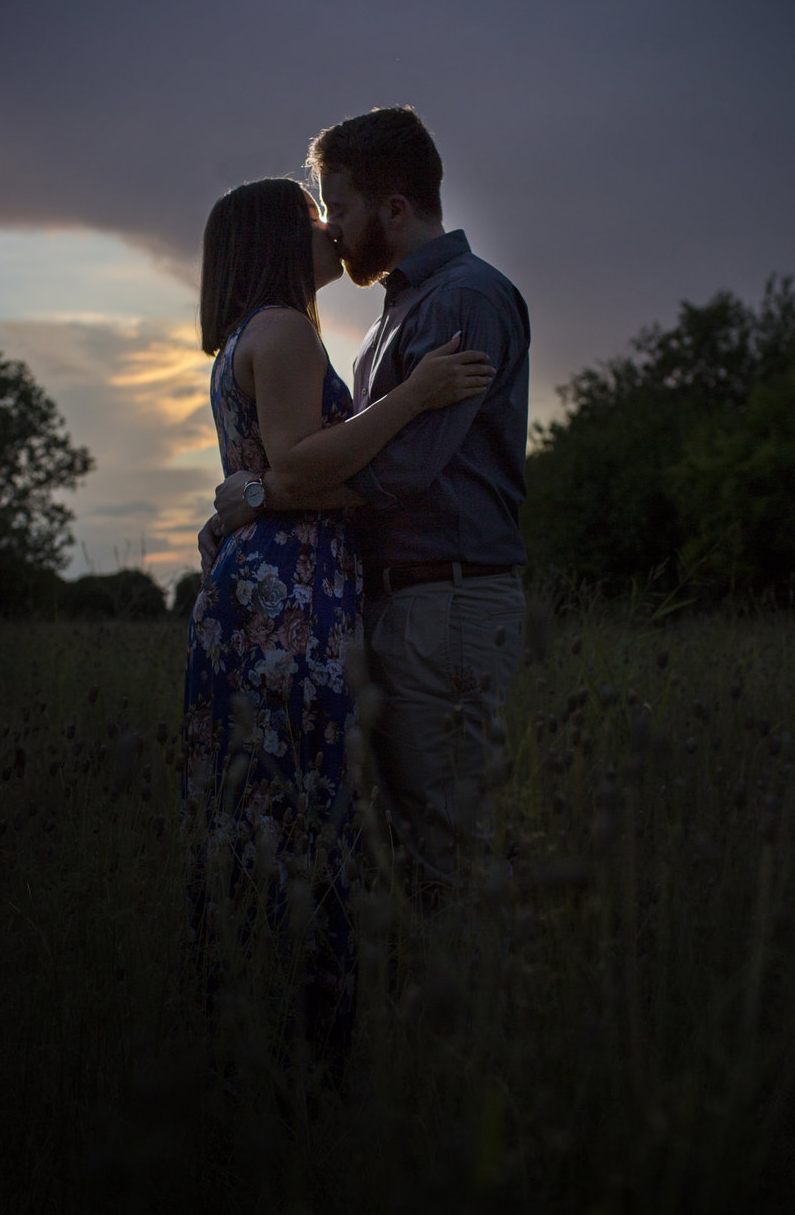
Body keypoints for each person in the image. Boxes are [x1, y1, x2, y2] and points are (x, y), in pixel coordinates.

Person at [182, 174, 493, 1052]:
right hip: (288, 586)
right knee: (295, 803)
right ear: (279, 239)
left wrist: (247, 493)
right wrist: (416, 395)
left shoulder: (261, 332)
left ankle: (267, 1024)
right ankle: (300, 1040)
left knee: (273, 803)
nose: (330, 230)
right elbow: (303, 465)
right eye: (312, 217)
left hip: (278, 575)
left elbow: (275, 474)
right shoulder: (280, 330)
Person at [212, 108, 530, 896]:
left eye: (341, 208)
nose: (333, 229)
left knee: (443, 842)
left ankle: (478, 1009)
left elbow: (405, 470)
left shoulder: (466, 299)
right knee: (394, 843)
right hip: (390, 598)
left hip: (446, 597)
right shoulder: (390, 317)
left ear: (393, 209)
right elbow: (370, 451)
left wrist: (265, 491)